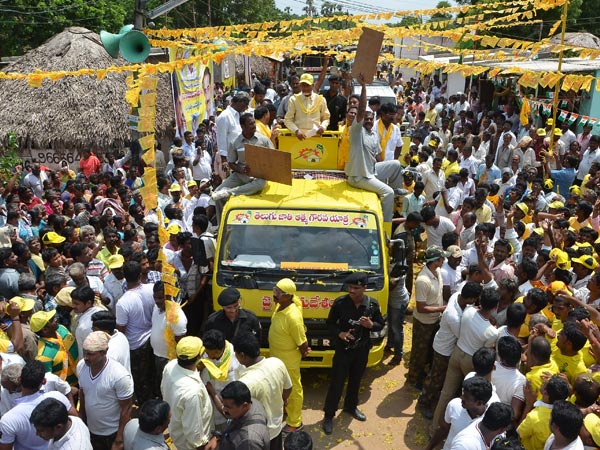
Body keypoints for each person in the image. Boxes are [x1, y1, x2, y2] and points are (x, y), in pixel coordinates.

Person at [322, 272, 385, 434]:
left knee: (356, 380)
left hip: (362, 350)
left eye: (356, 288)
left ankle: (350, 407)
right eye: (350, 287)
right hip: (343, 350)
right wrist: (340, 334)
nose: (352, 291)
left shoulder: (372, 304)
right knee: (337, 382)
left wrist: (371, 325)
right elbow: (329, 323)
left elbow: (380, 324)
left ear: (364, 288)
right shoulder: (340, 303)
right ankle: (329, 414)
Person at [344, 73, 404, 225]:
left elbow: (378, 157)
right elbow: (361, 110)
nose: (369, 121)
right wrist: (364, 86)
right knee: (387, 193)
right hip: (359, 176)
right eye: (366, 119)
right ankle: (386, 225)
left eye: (371, 119)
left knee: (396, 164)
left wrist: (383, 170)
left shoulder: (372, 134)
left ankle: (396, 193)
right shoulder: (356, 131)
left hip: (371, 171)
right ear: (361, 120)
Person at [233, 332, 292, 450]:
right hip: (277, 426)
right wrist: (282, 400)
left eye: (236, 354)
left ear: (242, 355)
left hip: (257, 436)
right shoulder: (277, 363)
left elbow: (236, 413)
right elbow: (288, 388)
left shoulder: (245, 383)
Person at [0, 360, 76, 450]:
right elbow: (76, 421)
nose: (9, 392)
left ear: (19, 380)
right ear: (43, 381)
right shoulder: (58, 397)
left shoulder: (9, 419)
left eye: (12, 389)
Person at [211, 113, 274, 220]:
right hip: (240, 175)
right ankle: (221, 223)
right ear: (242, 126)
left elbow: (273, 158)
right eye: (250, 124)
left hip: (258, 177)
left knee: (260, 184)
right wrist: (241, 170)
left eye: (254, 123)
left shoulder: (264, 140)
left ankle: (229, 192)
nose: (254, 126)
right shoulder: (235, 142)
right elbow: (231, 163)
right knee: (217, 194)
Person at [77, 331, 134, 450]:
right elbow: (82, 396)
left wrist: (119, 439)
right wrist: (82, 423)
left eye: (90, 354)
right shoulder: (81, 366)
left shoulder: (119, 375)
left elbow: (127, 408)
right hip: (91, 430)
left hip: (112, 432)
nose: (86, 357)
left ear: (104, 352)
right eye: (84, 352)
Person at [268, 278, 309, 433]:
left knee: (293, 390)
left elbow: (302, 342)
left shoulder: (293, 317)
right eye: (275, 290)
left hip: (289, 361)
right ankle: (286, 409)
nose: (275, 294)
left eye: (278, 292)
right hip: (277, 357)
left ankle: (295, 422)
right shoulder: (280, 305)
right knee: (280, 387)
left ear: (287, 296)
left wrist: (304, 352)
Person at [161, 336, 217, 450]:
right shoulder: (193, 392)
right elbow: (194, 432)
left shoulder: (170, 366)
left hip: (176, 430)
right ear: (199, 356)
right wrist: (202, 446)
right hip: (189, 445)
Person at [407, 246, 448, 390]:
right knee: (419, 353)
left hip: (435, 320)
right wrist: (441, 309)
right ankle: (413, 379)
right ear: (436, 261)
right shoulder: (423, 281)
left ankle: (421, 375)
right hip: (423, 323)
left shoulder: (438, 272)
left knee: (429, 351)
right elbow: (421, 308)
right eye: (442, 258)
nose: (444, 260)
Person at [116, 260, 155, 403]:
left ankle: (146, 404)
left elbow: (121, 331)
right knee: (153, 375)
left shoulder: (122, 302)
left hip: (135, 346)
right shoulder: (152, 289)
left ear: (124, 276)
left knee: (140, 381)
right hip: (152, 339)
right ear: (140, 275)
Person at [217, 381, 270, 450]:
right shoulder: (253, 403)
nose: (224, 409)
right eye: (224, 405)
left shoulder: (249, 441)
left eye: (228, 407)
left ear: (244, 406)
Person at [284, 73, 330, 140]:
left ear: (313, 85)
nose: (305, 88)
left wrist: (323, 127)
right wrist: (296, 131)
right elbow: (288, 120)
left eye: (308, 85)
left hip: (316, 138)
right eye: (303, 85)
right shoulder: (294, 99)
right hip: (298, 139)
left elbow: (326, 118)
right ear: (300, 86)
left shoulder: (320, 99)